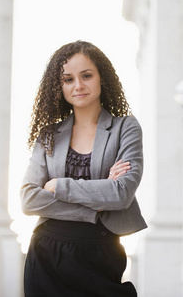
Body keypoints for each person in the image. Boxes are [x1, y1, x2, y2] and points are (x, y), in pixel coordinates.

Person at [20, 40, 147, 297]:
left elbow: (121, 194)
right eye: (68, 79)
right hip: (47, 253)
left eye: (86, 75)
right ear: (59, 87)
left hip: (101, 253)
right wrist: (97, 203)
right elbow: (28, 199)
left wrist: (59, 186)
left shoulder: (126, 128)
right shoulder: (48, 136)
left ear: (102, 78)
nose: (78, 85)